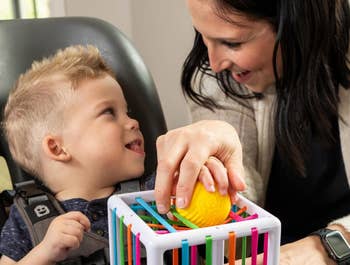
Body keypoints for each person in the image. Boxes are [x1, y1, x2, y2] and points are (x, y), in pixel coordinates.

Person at [155, 0, 350, 264]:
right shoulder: (217, 78)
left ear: (297, 20)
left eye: (233, 43)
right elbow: (235, 218)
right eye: (203, 37)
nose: (214, 64)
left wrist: (323, 248)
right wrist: (218, 168)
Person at [0, 45, 154, 265]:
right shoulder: (26, 219)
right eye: (109, 112)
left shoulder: (154, 191)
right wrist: (44, 253)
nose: (134, 122)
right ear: (57, 148)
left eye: (126, 112)